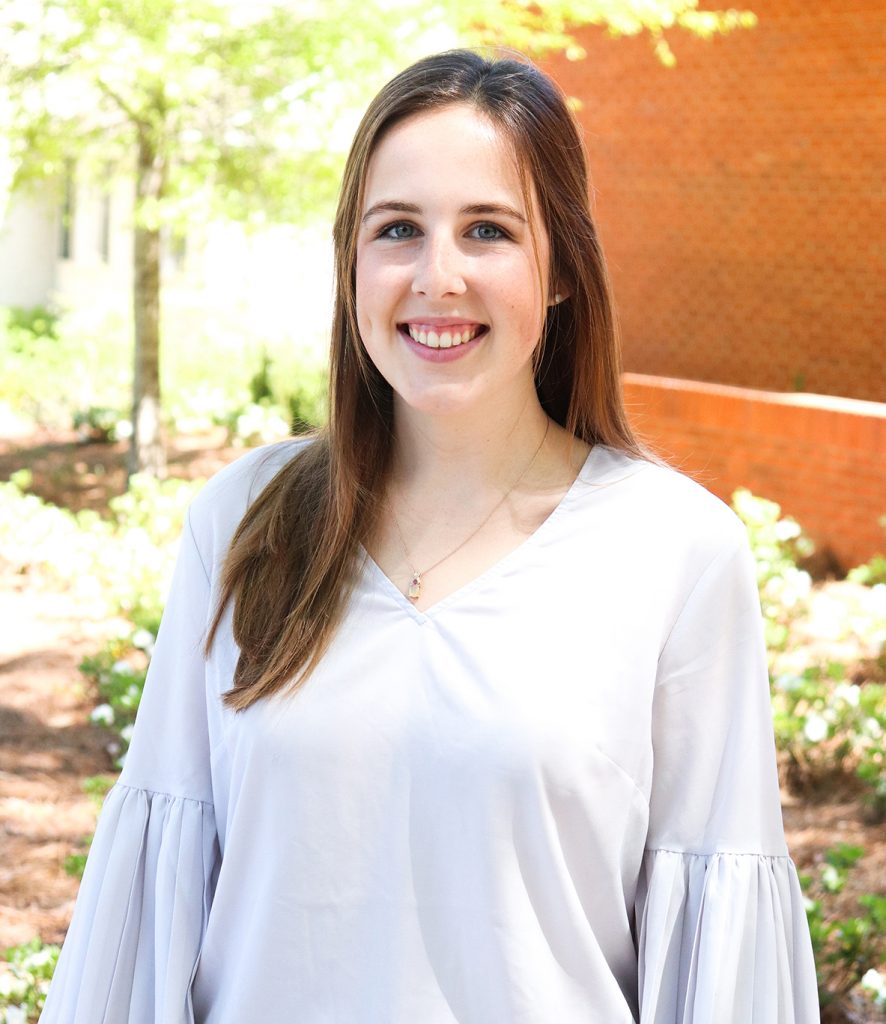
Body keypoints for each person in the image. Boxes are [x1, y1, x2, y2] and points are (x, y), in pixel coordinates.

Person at [40, 49, 819, 1023]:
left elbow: (715, 962)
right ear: (351, 262)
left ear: (563, 267)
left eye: (487, 230)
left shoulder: (676, 553)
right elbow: (153, 928)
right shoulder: (243, 521)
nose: (436, 276)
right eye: (397, 230)